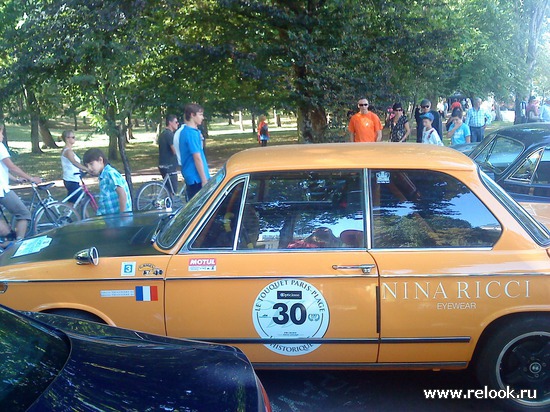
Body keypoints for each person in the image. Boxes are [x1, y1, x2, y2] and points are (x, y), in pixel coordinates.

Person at [0, 124, 41, 243]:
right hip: (2, 191)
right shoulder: (0, 147)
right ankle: (18, 243)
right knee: (23, 214)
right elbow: (11, 166)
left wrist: (16, 180)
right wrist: (31, 178)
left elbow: (3, 170)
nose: (2, 136)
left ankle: (7, 241)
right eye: (1, 132)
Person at [82, 148, 132, 215]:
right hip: (111, 216)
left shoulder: (110, 174)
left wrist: (123, 213)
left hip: (118, 217)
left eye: (91, 164)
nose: (89, 168)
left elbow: (122, 194)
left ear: (100, 160)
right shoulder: (103, 175)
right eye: (87, 166)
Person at [179, 103, 210, 200]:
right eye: (200, 114)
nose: (202, 117)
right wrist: (204, 180)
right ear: (192, 115)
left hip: (192, 177)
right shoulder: (191, 134)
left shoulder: (186, 131)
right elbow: (197, 157)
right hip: (196, 178)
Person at [61, 130, 88, 204]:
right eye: (73, 137)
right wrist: (87, 169)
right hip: (71, 179)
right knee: (82, 201)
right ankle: (86, 216)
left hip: (72, 178)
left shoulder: (68, 150)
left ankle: (66, 215)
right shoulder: (68, 151)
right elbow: (74, 162)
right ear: (67, 139)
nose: (74, 139)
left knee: (72, 203)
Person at [158, 114, 179, 195]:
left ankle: (169, 204)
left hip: (162, 165)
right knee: (173, 191)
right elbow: (174, 151)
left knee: (169, 190)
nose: (178, 124)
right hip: (169, 166)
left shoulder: (163, 134)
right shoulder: (170, 135)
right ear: (170, 122)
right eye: (176, 122)